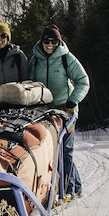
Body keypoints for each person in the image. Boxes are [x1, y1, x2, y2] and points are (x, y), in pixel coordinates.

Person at [30, 23, 89, 199]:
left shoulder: (66, 58)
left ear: (59, 42)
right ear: (41, 42)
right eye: (47, 41)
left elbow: (83, 80)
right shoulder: (35, 60)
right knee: (50, 151)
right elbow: (29, 83)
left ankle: (68, 191)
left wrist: (73, 101)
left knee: (65, 150)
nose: (50, 45)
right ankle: (76, 186)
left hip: (66, 110)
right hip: (44, 112)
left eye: (54, 41)